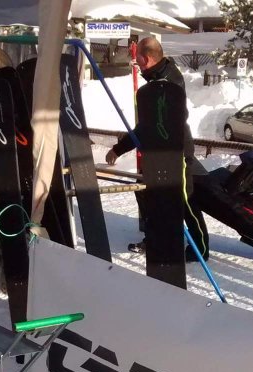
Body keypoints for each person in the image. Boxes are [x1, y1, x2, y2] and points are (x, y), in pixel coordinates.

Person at [105, 36, 210, 263]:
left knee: (184, 199)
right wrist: (119, 148)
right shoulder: (157, 78)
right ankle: (155, 239)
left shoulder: (167, 82)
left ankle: (200, 248)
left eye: (138, 59)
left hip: (176, 151)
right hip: (157, 152)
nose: (137, 64)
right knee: (153, 197)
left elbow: (150, 126)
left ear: (146, 58)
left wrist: (119, 148)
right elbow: (146, 127)